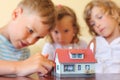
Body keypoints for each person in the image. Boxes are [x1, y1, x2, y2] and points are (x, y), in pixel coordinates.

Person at [0, 0, 56, 76]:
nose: (31, 41)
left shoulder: (25, 53)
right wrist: (21, 66)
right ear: (16, 14)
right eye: (30, 30)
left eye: (38, 37)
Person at [84, 0, 120, 73]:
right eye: (93, 24)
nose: (97, 25)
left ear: (114, 14)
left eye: (100, 17)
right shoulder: (95, 43)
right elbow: (85, 67)